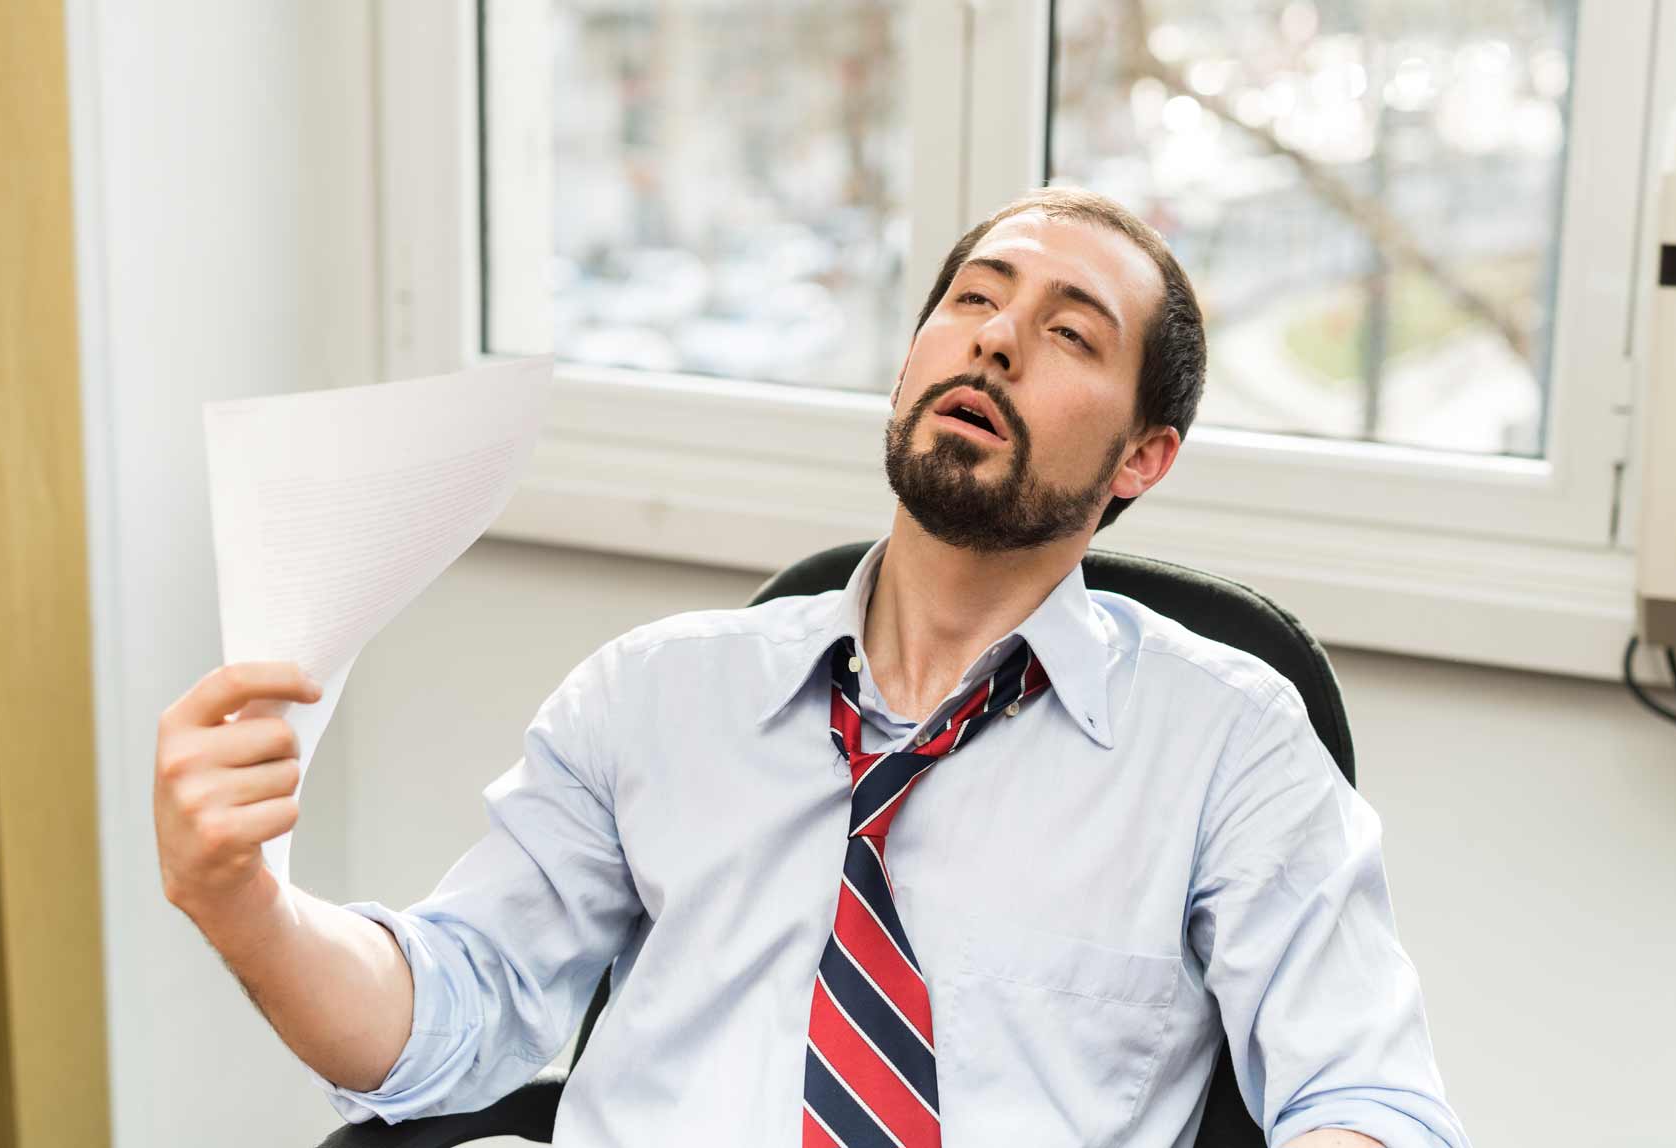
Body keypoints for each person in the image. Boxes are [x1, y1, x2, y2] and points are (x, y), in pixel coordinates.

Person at [155, 187, 1470, 1147]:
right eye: (971, 300)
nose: (995, 340)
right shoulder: (653, 695)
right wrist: (245, 906)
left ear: (1142, 459)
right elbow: (449, 1016)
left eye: (1071, 334)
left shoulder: (1228, 743)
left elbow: (1367, 1104)